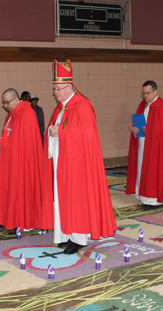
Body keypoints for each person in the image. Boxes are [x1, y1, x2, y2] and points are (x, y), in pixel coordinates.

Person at [43, 59, 117, 255]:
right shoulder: (61, 107)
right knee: (62, 198)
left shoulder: (82, 105)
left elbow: (88, 135)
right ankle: (64, 235)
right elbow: (56, 129)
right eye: (54, 89)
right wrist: (53, 131)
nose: (55, 93)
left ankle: (78, 238)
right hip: (62, 162)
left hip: (77, 164)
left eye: (58, 89)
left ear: (69, 87)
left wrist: (62, 133)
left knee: (76, 199)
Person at [0, 88, 43, 231]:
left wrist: (10, 147)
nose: (5, 106)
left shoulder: (27, 114)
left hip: (20, 161)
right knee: (4, 187)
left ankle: (17, 220)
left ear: (15, 99)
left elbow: (27, 143)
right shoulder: (12, 114)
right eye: (3, 103)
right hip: (8, 158)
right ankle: (3, 218)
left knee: (17, 190)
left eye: (6, 103)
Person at [126, 80, 163, 210]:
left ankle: (154, 201)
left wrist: (149, 129)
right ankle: (144, 197)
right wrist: (134, 130)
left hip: (156, 148)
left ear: (156, 91)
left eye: (148, 93)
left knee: (153, 173)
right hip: (142, 145)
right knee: (142, 171)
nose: (145, 96)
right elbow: (138, 122)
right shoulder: (142, 105)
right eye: (143, 93)